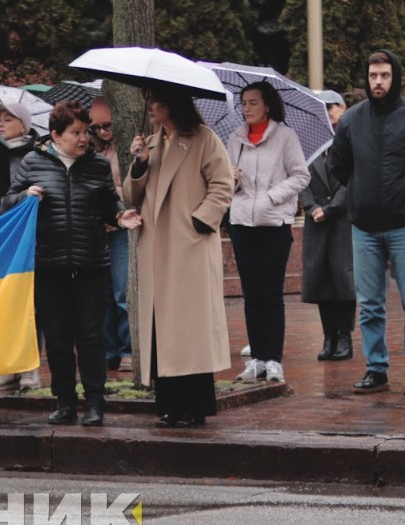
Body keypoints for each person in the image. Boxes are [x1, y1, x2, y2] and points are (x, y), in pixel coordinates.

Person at [3, 101, 133, 425]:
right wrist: (25, 196)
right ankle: (64, 402)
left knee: (91, 339)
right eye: (75, 132)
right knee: (58, 341)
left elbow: (109, 204)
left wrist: (120, 215)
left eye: (86, 132)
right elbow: (7, 203)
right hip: (49, 266)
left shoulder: (98, 165)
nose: (84, 139)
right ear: (55, 135)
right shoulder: (32, 162)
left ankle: (94, 403)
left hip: (91, 265)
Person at [328, 50, 405, 395]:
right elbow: (338, 166)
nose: (378, 81)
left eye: (385, 75)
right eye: (373, 75)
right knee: (370, 304)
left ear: (396, 77)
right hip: (364, 227)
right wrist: (362, 194)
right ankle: (376, 368)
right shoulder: (352, 120)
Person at [122, 89, 235, 427]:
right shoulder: (151, 144)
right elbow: (131, 194)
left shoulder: (203, 139)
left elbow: (222, 183)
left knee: (188, 330)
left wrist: (200, 220)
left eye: (154, 101)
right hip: (157, 246)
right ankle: (170, 404)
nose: (150, 108)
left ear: (171, 105)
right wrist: (139, 164)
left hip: (189, 247)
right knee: (164, 329)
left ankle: (194, 406)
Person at [222, 81, 307, 386]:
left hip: (274, 224)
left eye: (253, 102)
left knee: (271, 294)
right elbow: (226, 181)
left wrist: (272, 196)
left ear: (267, 105)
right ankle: (256, 358)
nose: (246, 108)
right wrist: (230, 179)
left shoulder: (285, 136)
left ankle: (274, 359)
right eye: (243, 103)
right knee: (251, 294)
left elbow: (301, 175)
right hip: (242, 222)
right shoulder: (236, 138)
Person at [0, 103, 45, 393]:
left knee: (28, 303)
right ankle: (6, 367)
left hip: (25, 237)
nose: (1, 123)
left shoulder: (37, 155)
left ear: (24, 124)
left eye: (8, 119)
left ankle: (30, 368)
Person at [300, 91, 355, 363]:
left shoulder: (351, 138)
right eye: (321, 107)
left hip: (342, 220)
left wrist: (332, 209)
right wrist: (311, 208)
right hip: (316, 221)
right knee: (321, 280)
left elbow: (351, 180)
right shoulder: (310, 142)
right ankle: (328, 336)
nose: (327, 112)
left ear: (343, 109)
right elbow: (302, 178)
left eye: (331, 107)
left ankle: (345, 336)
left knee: (343, 279)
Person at [84, 92, 133, 370]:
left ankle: (127, 348)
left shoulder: (125, 150)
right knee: (100, 294)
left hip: (120, 228)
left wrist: (105, 192)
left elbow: (132, 189)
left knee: (121, 291)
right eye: (95, 127)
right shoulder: (90, 151)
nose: (101, 132)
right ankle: (109, 349)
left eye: (107, 125)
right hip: (96, 229)